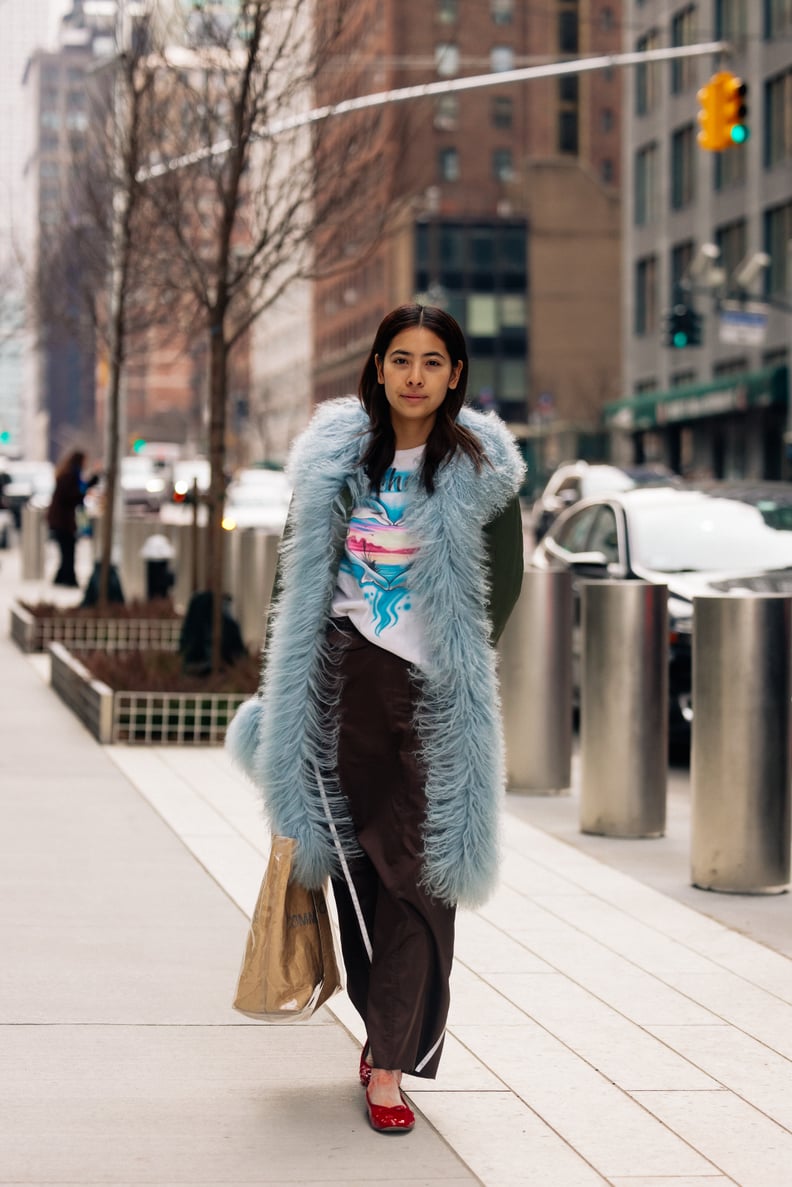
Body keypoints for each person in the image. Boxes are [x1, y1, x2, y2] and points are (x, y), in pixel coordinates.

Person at [226, 304, 524, 1134]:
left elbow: (506, 584)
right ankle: (380, 1029)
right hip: (342, 685)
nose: (417, 375)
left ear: (456, 374)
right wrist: (286, 687)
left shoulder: (481, 471)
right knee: (359, 876)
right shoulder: (332, 463)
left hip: (433, 697)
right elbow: (298, 588)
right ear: (380, 368)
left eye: (434, 361)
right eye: (402, 359)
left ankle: (389, 1061)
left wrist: (454, 665)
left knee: (422, 880)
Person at [47, 449, 99, 587]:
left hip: (62, 521)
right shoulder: (69, 476)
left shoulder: (69, 475)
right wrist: (89, 486)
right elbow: (72, 497)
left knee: (67, 550)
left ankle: (62, 578)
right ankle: (67, 579)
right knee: (68, 550)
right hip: (63, 522)